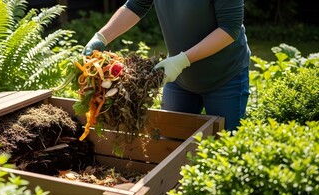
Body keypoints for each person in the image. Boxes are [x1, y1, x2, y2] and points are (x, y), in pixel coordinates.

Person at [83, 0, 251, 131]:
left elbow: (229, 29)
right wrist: (101, 37)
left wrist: (183, 60)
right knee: (169, 145)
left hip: (225, 77)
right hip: (180, 79)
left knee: (224, 151)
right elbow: (135, 6)